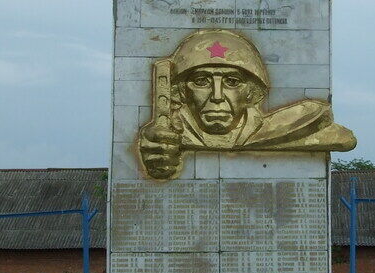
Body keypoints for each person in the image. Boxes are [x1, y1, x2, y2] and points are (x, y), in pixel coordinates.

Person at [138, 29, 356, 179]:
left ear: (253, 92)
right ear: (179, 92)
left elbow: (345, 140)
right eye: (201, 81)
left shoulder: (284, 129)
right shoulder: (165, 135)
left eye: (232, 82)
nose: (216, 96)